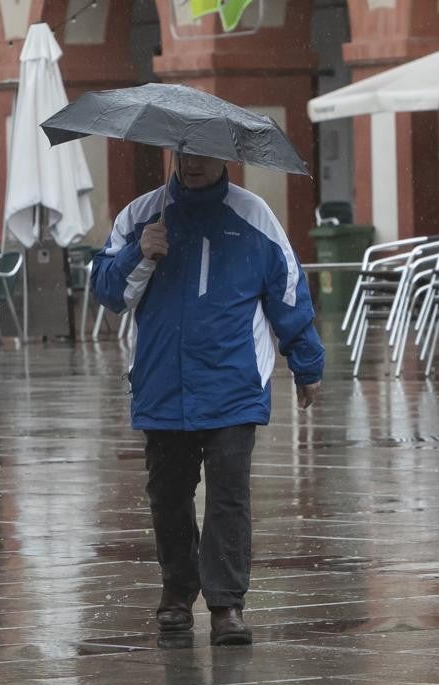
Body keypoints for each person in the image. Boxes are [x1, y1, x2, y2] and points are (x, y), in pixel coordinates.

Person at [91, 152, 324, 645]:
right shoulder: (140, 216)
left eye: (204, 154)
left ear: (225, 157)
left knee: (228, 495)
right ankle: (176, 595)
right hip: (162, 382)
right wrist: (140, 252)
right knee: (168, 496)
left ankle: (226, 607)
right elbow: (108, 292)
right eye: (184, 153)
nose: (193, 163)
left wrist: (307, 363)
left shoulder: (254, 215)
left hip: (234, 383)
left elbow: (287, 291)